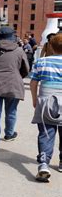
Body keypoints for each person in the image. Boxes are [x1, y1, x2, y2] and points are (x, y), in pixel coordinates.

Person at [29, 33, 62, 181]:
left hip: (46, 101)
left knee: (46, 134)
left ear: (51, 46)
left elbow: (33, 83)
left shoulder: (41, 62)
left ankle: (43, 163)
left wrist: (35, 99)